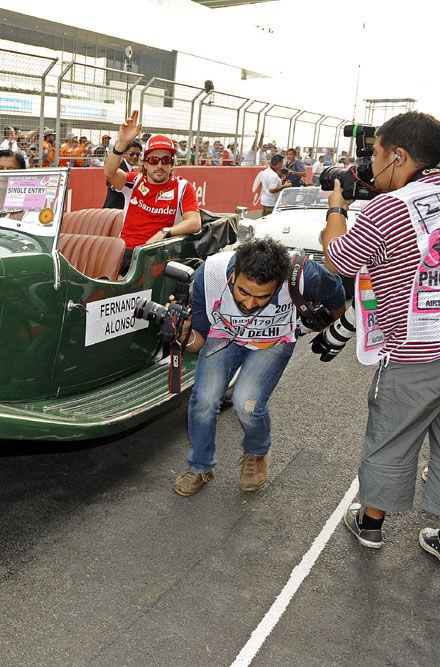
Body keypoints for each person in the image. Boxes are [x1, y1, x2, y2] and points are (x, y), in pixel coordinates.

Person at [321, 111, 440, 558]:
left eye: (376, 154)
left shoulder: (388, 208)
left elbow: (338, 260)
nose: (370, 166)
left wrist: (337, 207)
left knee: (391, 439)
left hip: (414, 356)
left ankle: (371, 525)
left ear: (400, 155)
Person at [172, 238, 346, 496]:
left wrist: (336, 329)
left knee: (247, 404)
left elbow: (336, 296)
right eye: (243, 292)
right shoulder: (209, 276)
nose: (250, 304)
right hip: (224, 335)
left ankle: (256, 452)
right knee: (204, 400)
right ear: (234, 274)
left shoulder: (304, 274)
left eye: (262, 296)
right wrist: (183, 333)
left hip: (273, 340)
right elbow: (197, 343)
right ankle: (200, 466)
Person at [104, 111, 201, 271]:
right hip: (125, 252)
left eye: (166, 160)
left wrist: (165, 232)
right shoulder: (133, 181)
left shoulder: (182, 186)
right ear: (146, 164)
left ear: (171, 164)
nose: (160, 166)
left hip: (156, 255)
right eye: (154, 160)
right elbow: (110, 173)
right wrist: (122, 143)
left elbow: (194, 222)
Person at [103, 139, 141, 209]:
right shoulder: (118, 168)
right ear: (124, 154)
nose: (135, 157)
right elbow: (110, 181)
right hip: (113, 211)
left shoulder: (133, 170)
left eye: (137, 154)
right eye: (132, 154)